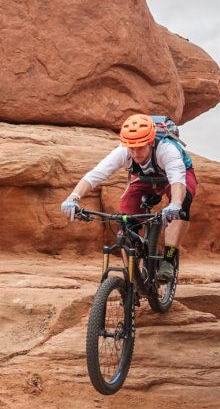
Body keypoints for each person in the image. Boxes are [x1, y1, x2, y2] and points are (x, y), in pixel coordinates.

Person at [60, 113, 197, 282]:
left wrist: (175, 204)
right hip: (144, 179)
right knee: (125, 220)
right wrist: (73, 197)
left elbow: (177, 179)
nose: (135, 152)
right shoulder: (123, 151)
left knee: (182, 205)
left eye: (140, 147)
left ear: (151, 142)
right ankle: (131, 275)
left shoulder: (167, 150)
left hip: (174, 178)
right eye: (132, 148)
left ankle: (168, 259)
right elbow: (96, 175)